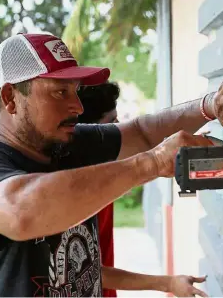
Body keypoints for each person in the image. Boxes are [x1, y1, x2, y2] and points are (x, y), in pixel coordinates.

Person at [0, 33, 223, 297]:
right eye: (60, 91)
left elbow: (142, 131)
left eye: (76, 91)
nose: (76, 106)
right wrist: (152, 163)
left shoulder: (68, 144)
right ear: (10, 98)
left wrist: (208, 105)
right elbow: (21, 213)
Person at [77, 82, 120, 297]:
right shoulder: (82, 191)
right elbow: (83, 270)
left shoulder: (104, 175)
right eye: (112, 123)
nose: (120, 129)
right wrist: (167, 284)